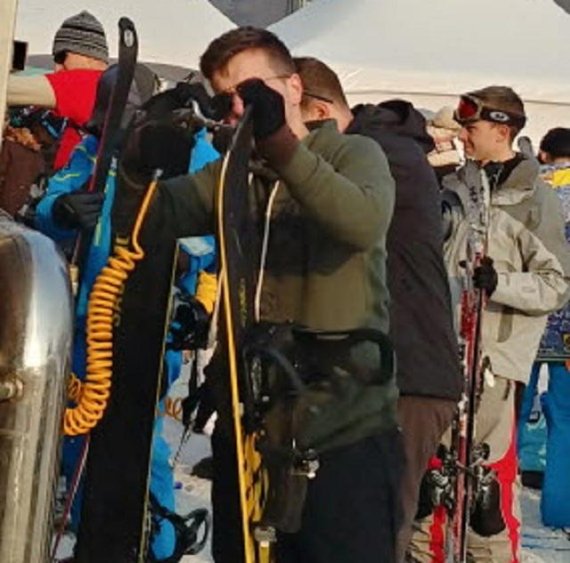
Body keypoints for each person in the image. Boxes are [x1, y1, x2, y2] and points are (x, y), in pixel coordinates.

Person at [119, 26, 403, 563]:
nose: (236, 111)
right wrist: (136, 166)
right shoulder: (233, 174)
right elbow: (149, 220)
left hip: (343, 431)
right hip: (251, 430)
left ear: (294, 88)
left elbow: (361, 222)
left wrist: (280, 143)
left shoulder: (353, 152)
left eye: (250, 93)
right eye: (225, 100)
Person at [294, 56, 462, 562]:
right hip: (376, 369)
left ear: (320, 111)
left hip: (408, 374)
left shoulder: (380, 156)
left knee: (374, 532)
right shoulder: (375, 149)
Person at [413, 87, 570, 562]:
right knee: (432, 478)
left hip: (494, 363)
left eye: (472, 127)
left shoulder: (532, 198)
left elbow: (555, 284)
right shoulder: (455, 188)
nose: (463, 135)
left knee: (488, 485)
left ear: (502, 130)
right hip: (443, 352)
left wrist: (501, 282)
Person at [518, 127, 570, 528]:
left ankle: (499, 503)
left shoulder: (530, 189)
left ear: (545, 153)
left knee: (509, 412)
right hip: (569, 330)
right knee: (567, 421)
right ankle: (560, 510)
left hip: (525, 315)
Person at [7, 10, 108, 169]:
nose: (57, 68)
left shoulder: (89, 83)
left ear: (90, 56)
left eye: (61, 57)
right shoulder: (109, 90)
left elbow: (7, 89)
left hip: (70, 190)